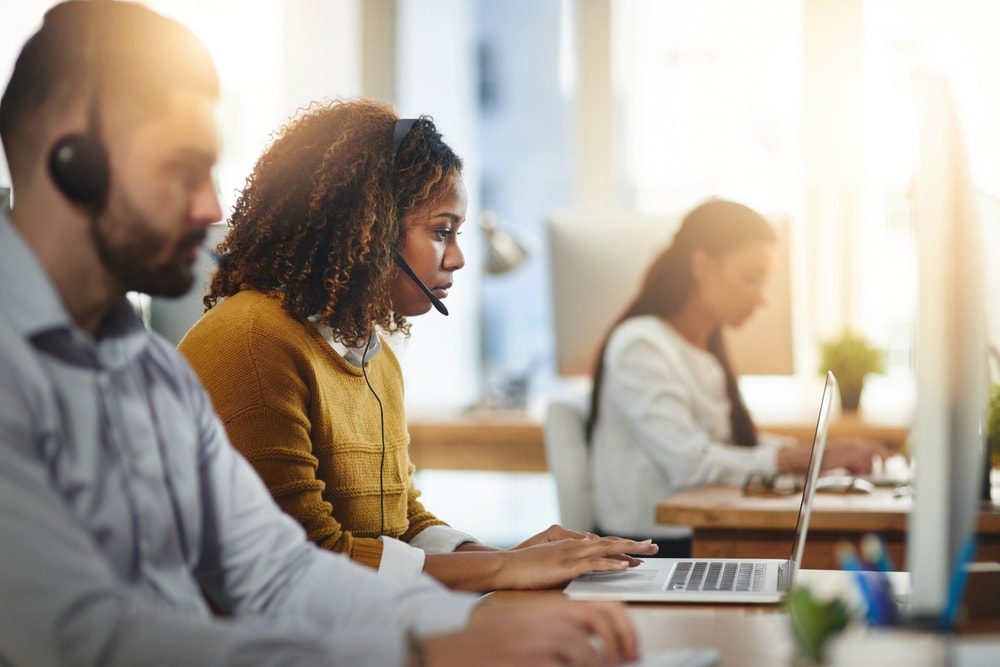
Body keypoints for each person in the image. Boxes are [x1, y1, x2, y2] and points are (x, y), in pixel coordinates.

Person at [0, 3, 642, 665]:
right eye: (180, 168)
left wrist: (460, 625)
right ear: (73, 160)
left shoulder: (148, 375)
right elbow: (85, 638)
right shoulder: (19, 368)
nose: (212, 208)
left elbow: (280, 569)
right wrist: (424, 646)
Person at [178, 99, 657, 592]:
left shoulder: (374, 357)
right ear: (369, 224)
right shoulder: (256, 341)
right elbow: (310, 560)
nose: (459, 257)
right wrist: (504, 569)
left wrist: (514, 558)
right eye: (441, 231)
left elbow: (401, 523)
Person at [587, 200, 891, 551]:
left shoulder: (703, 350)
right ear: (702, 265)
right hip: (650, 549)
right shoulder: (641, 345)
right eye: (751, 279)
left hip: (695, 531)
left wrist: (816, 453)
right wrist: (803, 460)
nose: (762, 299)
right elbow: (691, 465)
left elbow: (730, 444)